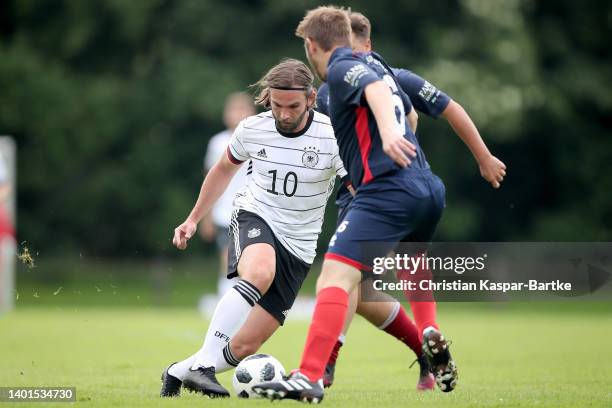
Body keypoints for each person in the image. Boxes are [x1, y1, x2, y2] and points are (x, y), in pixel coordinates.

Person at [254, 6, 505, 403]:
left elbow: (374, 94)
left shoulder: (341, 67)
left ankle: (310, 375)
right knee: (409, 263)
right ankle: (427, 330)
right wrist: (479, 156)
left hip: (384, 191)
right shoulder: (386, 68)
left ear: (311, 45)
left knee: (335, 280)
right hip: (425, 187)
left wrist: (388, 136)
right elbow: (409, 109)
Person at [160, 58, 348, 398]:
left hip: (301, 245)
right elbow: (220, 171)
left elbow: (356, 189)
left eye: (293, 106)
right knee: (259, 271)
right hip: (255, 215)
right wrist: (193, 218)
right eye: (277, 105)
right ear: (267, 99)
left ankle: (179, 370)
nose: (285, 114)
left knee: (243, 346)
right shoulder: (252, 128)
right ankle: (203, 367)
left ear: (311, 98)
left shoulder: (333, 137)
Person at [200, 92, 255, 300]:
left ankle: (244, 303)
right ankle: (226, 302)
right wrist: (206, 216)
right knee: (229, 261)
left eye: (243, 109)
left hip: (253, 211)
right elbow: (210, 180)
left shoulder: (259, 140)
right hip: (225, 213)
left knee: (249, 264)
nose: (238, 114)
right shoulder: (218, 143)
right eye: (234, 110)